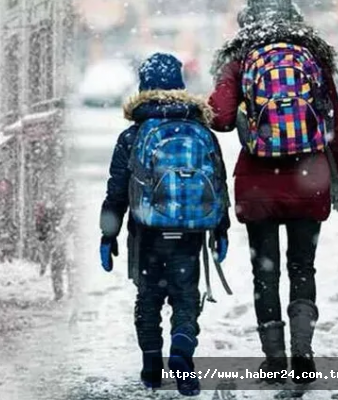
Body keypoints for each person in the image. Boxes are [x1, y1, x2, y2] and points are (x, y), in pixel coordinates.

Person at [209, 0, 338, 385]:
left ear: (248, 21)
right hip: (310, 178)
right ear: (295, 21)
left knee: (264, 272)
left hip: (259, 184)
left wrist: (242, 115)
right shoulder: (313, 58)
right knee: (303, 267)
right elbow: (334, 119)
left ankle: (274, 360)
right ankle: (303, 355)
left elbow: (219, 118)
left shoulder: (240, 59)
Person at [99, 53, 231, 396]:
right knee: (185, 298)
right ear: (180, 86)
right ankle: (183, 356)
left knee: (149, 298)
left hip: (147, 233)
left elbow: (116, 192)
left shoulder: (133, 135)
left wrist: (108, 234)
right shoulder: (200, 129)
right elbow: (218, 183)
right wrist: (220, 228)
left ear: (143, 87)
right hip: (189, 232)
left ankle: (152, 366)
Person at [36, 184, 78, 301]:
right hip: (61, 240)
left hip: (63, 240)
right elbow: (42, 225)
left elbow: (42, 225)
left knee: (63, 267)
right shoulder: (59, 208)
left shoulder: (53, 208)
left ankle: (64, 292)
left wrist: (44, 235)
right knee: (65, 267)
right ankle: (66, 292)